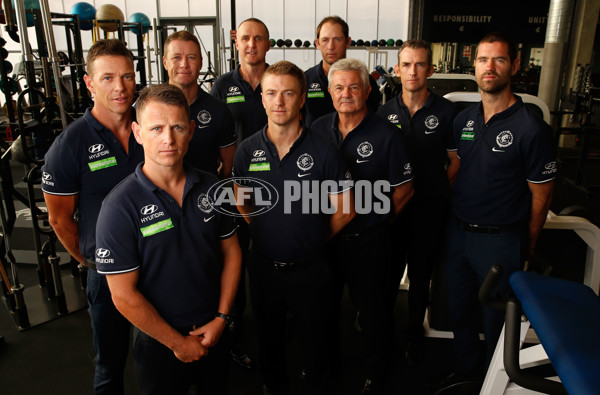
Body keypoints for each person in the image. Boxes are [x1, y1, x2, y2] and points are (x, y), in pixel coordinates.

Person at [94, 84, 242, 394]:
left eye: (177, 127)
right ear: (137, 132)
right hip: (159, 345)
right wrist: (177, 343)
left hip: (213, 331)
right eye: (156, 128)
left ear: (190, 130)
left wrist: (222, 318)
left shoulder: (213, 187)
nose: (168, 139)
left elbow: (231, 253)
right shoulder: (119, 207)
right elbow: (123, 296)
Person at [232, 61, 355, 395]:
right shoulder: (247, 151)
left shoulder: (324, 150)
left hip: (311, 269)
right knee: (268, 339)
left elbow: (346, 209)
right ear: (262, 99)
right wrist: (265, 230)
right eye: (271, 93)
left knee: (316, 340)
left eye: (288, 93)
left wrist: (312, 238)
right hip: (263, 267)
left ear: (302, 99)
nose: (279, 101)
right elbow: (241, 200)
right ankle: (272, 387)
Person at [444, 32, 556, 386]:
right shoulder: (464, 120)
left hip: (501, 241)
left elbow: (541, 199)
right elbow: (457, 170)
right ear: (473, 65)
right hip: (459, 235)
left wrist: (527, 245)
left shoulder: (531, 129)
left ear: (515, 66)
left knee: (497, 323)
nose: (489, 68)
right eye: (482, 60)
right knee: (460, 312)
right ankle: (467, 374)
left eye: (499, 60)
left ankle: (496, 385)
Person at [41, 39, 143, 395]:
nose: (120, 87)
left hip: (159, 263)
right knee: (110, 364)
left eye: (127, 76)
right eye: (108, 78)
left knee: (162, 357)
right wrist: (92, 260)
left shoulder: (149, 129)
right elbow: (59, 219)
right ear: (88, 83)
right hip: (109, 273)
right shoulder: (70, 145)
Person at [311, 58, 414, 394]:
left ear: (368, 91)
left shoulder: (387, 135)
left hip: (368, 242)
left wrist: (379, 224)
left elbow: (404, 190)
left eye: (354, 87)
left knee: (372, 313)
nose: (346, 93)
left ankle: (375, 372)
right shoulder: (316, 130)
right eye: (339, 87)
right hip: (327, 240)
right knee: (324, 309)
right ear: (329, 91)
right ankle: (327, 368)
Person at [376, 39, 459, 365]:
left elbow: (456, 161)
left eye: (420, 64)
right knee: (390, 272)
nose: (413, 71)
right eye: (406, 65)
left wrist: (437, 188)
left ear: (431, 69)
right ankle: (384, 332)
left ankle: (414, 333)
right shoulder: (384, 113)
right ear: (397, 70)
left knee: (422, 275)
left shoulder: (447, 112)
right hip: (397, 209)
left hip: (429, 208)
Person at [163, 30, 237, 178]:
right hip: (158, 199)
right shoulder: (147, 109)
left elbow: (228, 167)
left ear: (201, 62)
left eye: (191, 57)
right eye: (177, 58)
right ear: (165, 62)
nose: (184, 64)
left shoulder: (218, 110)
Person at [304, 16, 382, 127]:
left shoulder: (365, 81)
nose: (331, 46)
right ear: (317, 43)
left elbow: (374, 120)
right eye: (325, 40)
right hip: (316, 144)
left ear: (348, 42)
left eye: (337, 39)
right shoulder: (305, 80)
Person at [211, 18, 270, 141]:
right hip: (237, 160)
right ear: (237, 44)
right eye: (245, 38)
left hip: (277, 159)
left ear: (268, 45)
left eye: (258, 38)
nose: (252, 44)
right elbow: (213, 132)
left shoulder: (280, 83)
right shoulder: (222, 86)